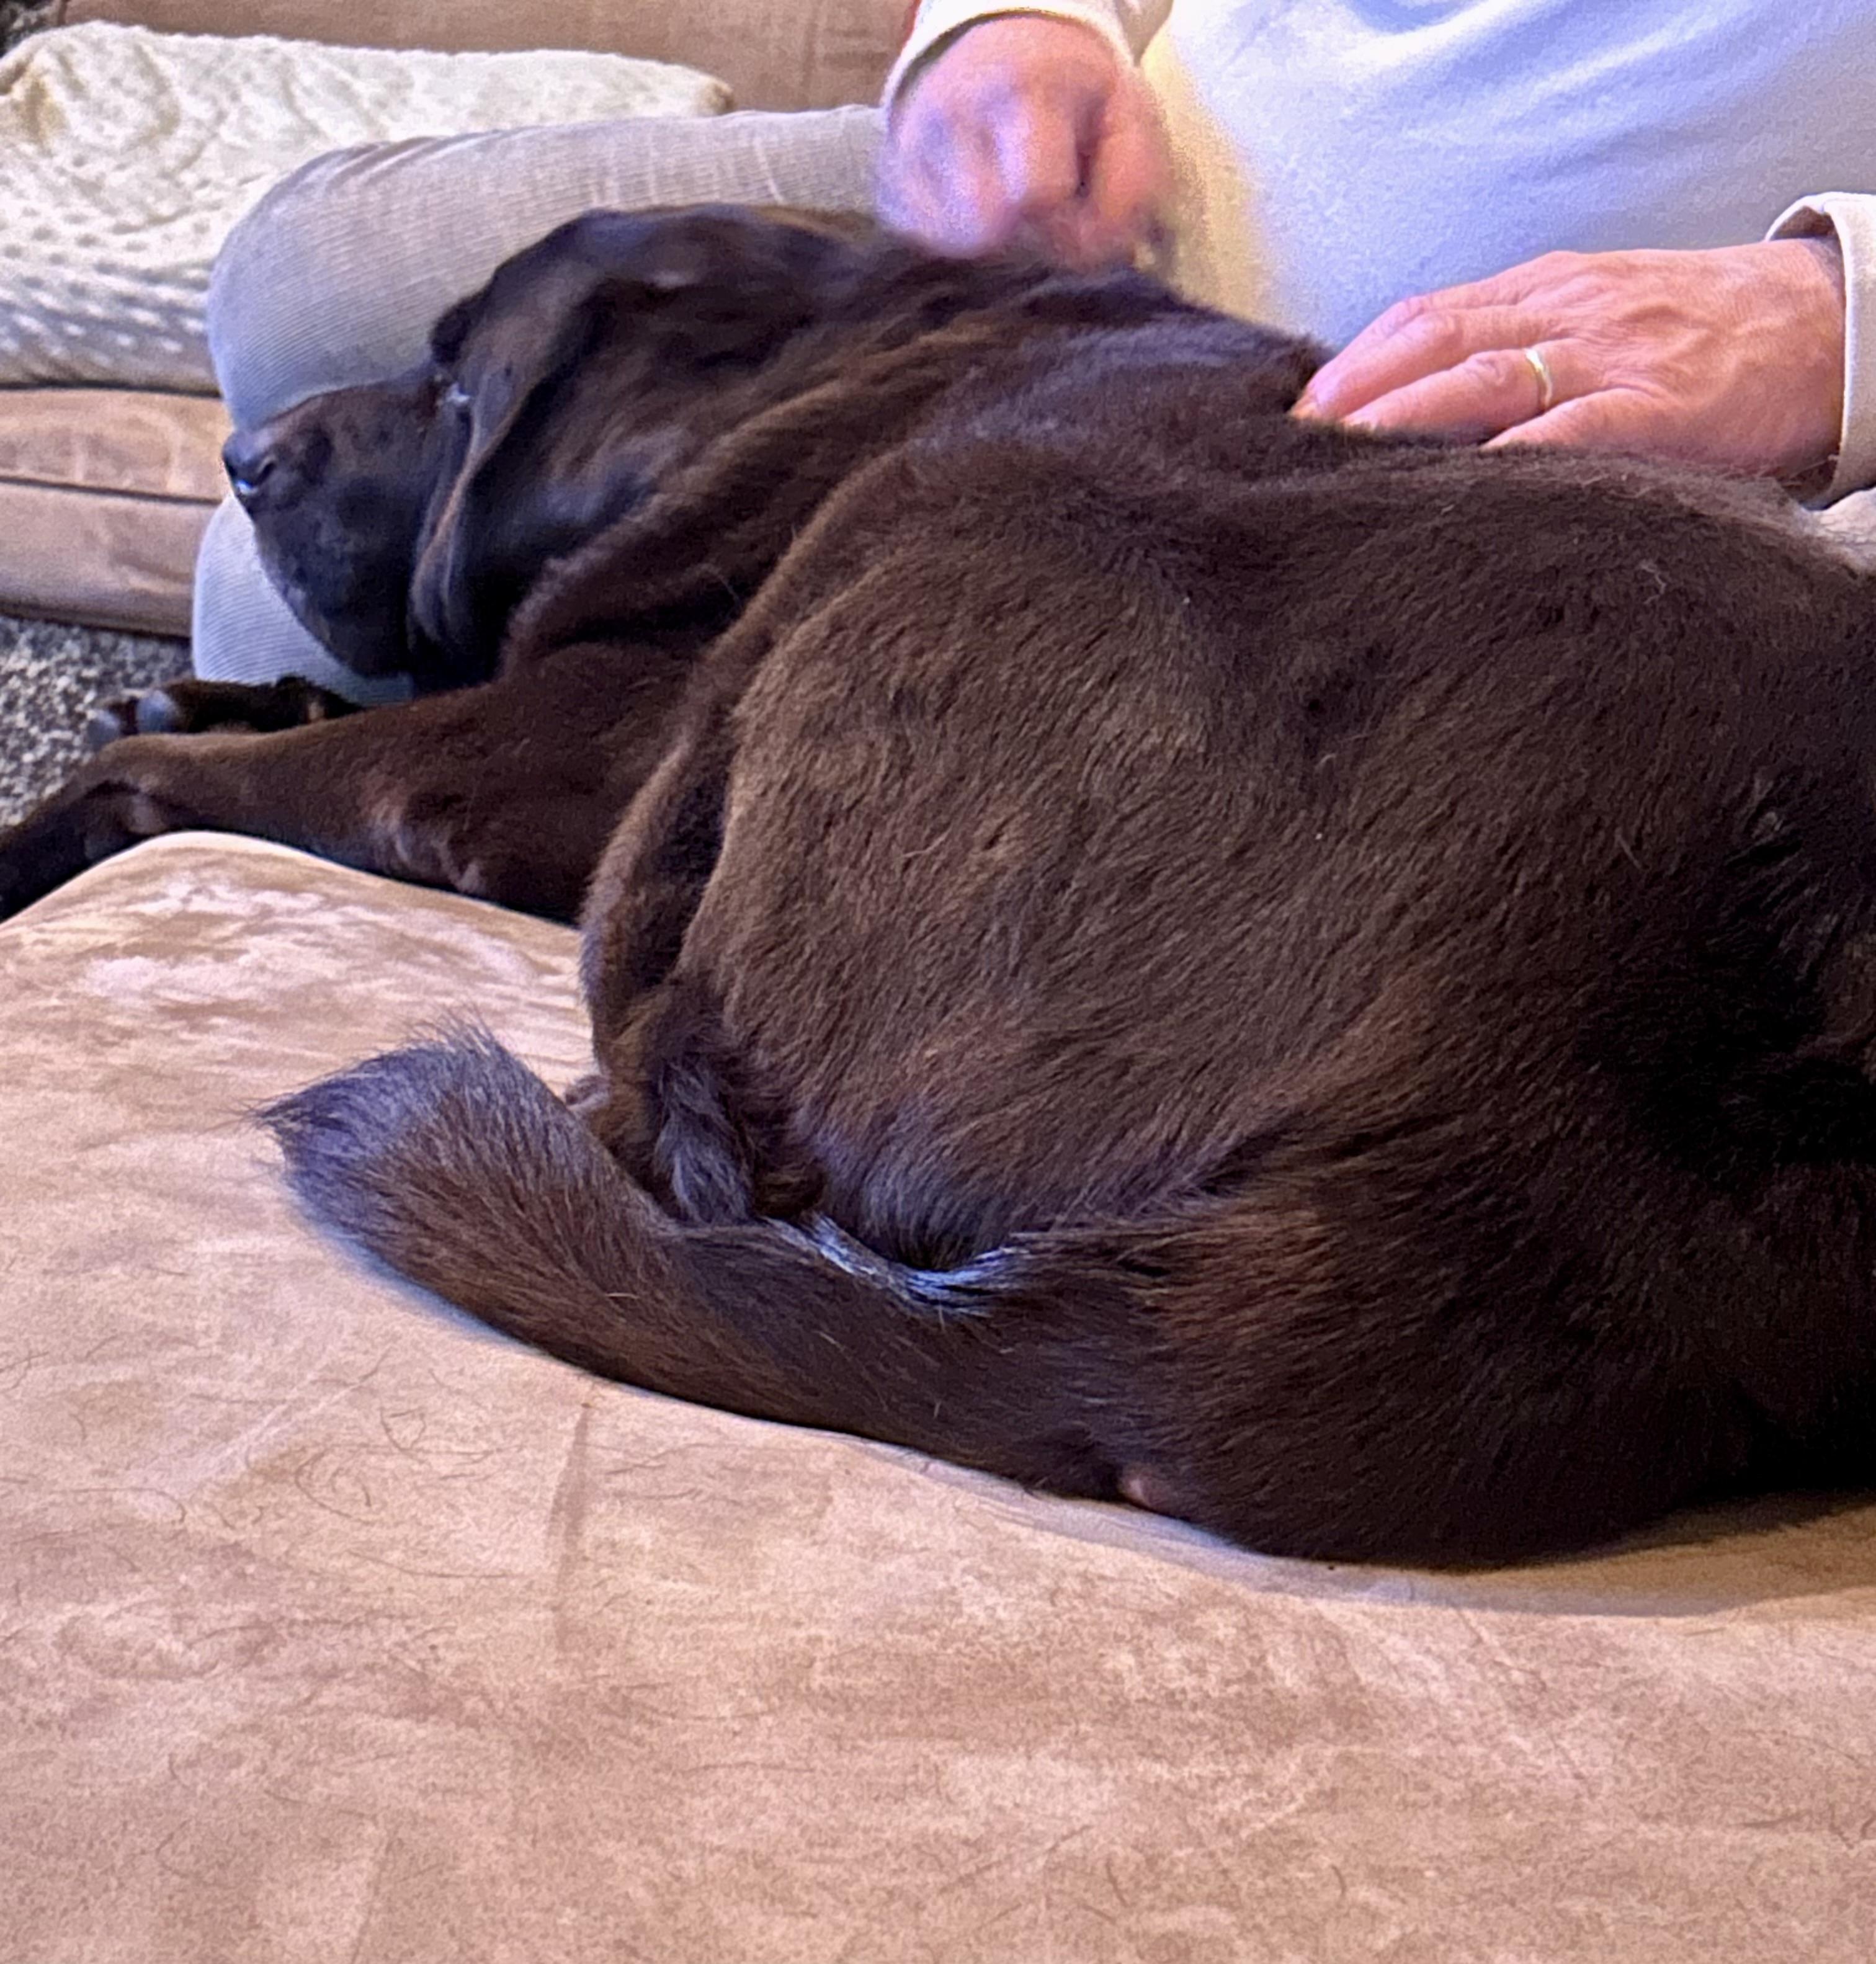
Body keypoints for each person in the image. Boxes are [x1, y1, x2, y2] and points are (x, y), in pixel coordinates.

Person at [194, 1, 1876, 694]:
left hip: (1526, 411)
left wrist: (1839, 312)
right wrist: (1000, 34)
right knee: (296, 282)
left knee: (273, 588)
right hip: (1097, 194)